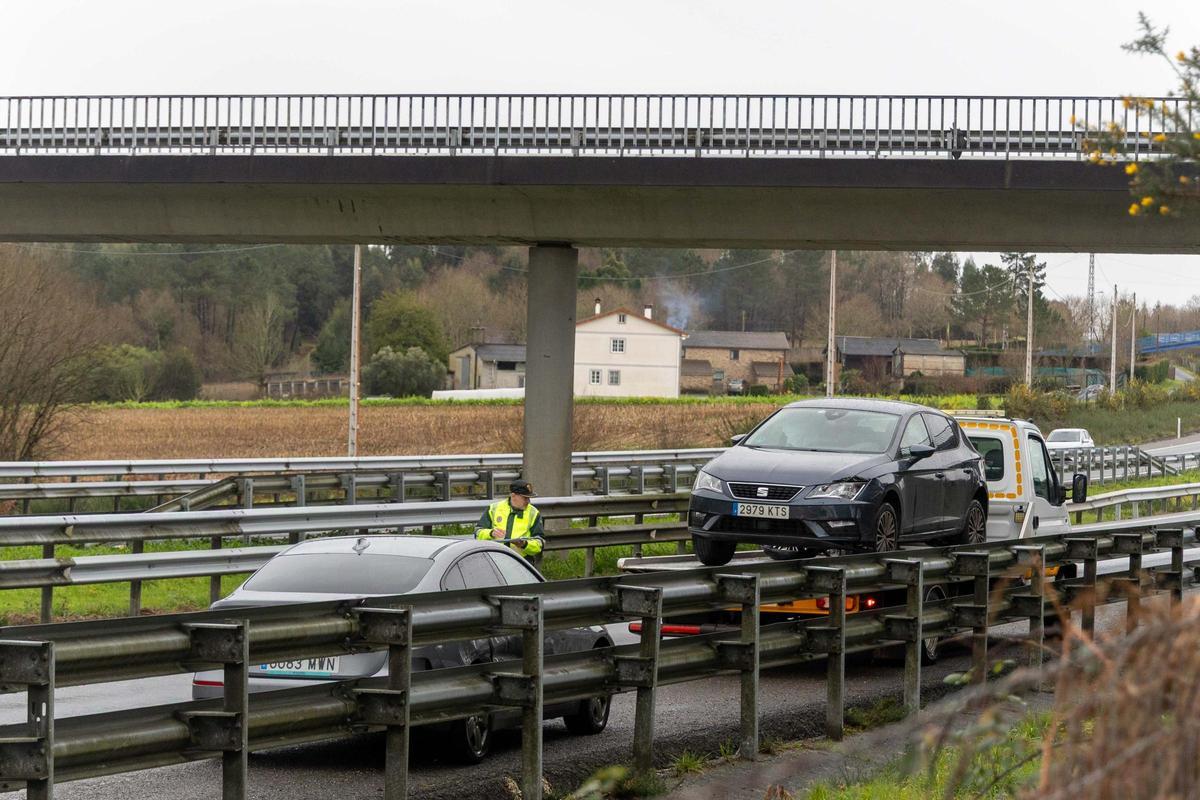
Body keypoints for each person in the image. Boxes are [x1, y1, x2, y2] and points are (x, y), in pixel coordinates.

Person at [474, 479, 544, 558]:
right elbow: (478, 533)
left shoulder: (534, 513)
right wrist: (491, 533)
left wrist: (524, 544)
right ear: (513, 496)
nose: (528, 501)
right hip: (496, 560)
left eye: (529, 498)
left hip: (522, 561)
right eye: (525, 498)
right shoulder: (494, 508)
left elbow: (539, 543)